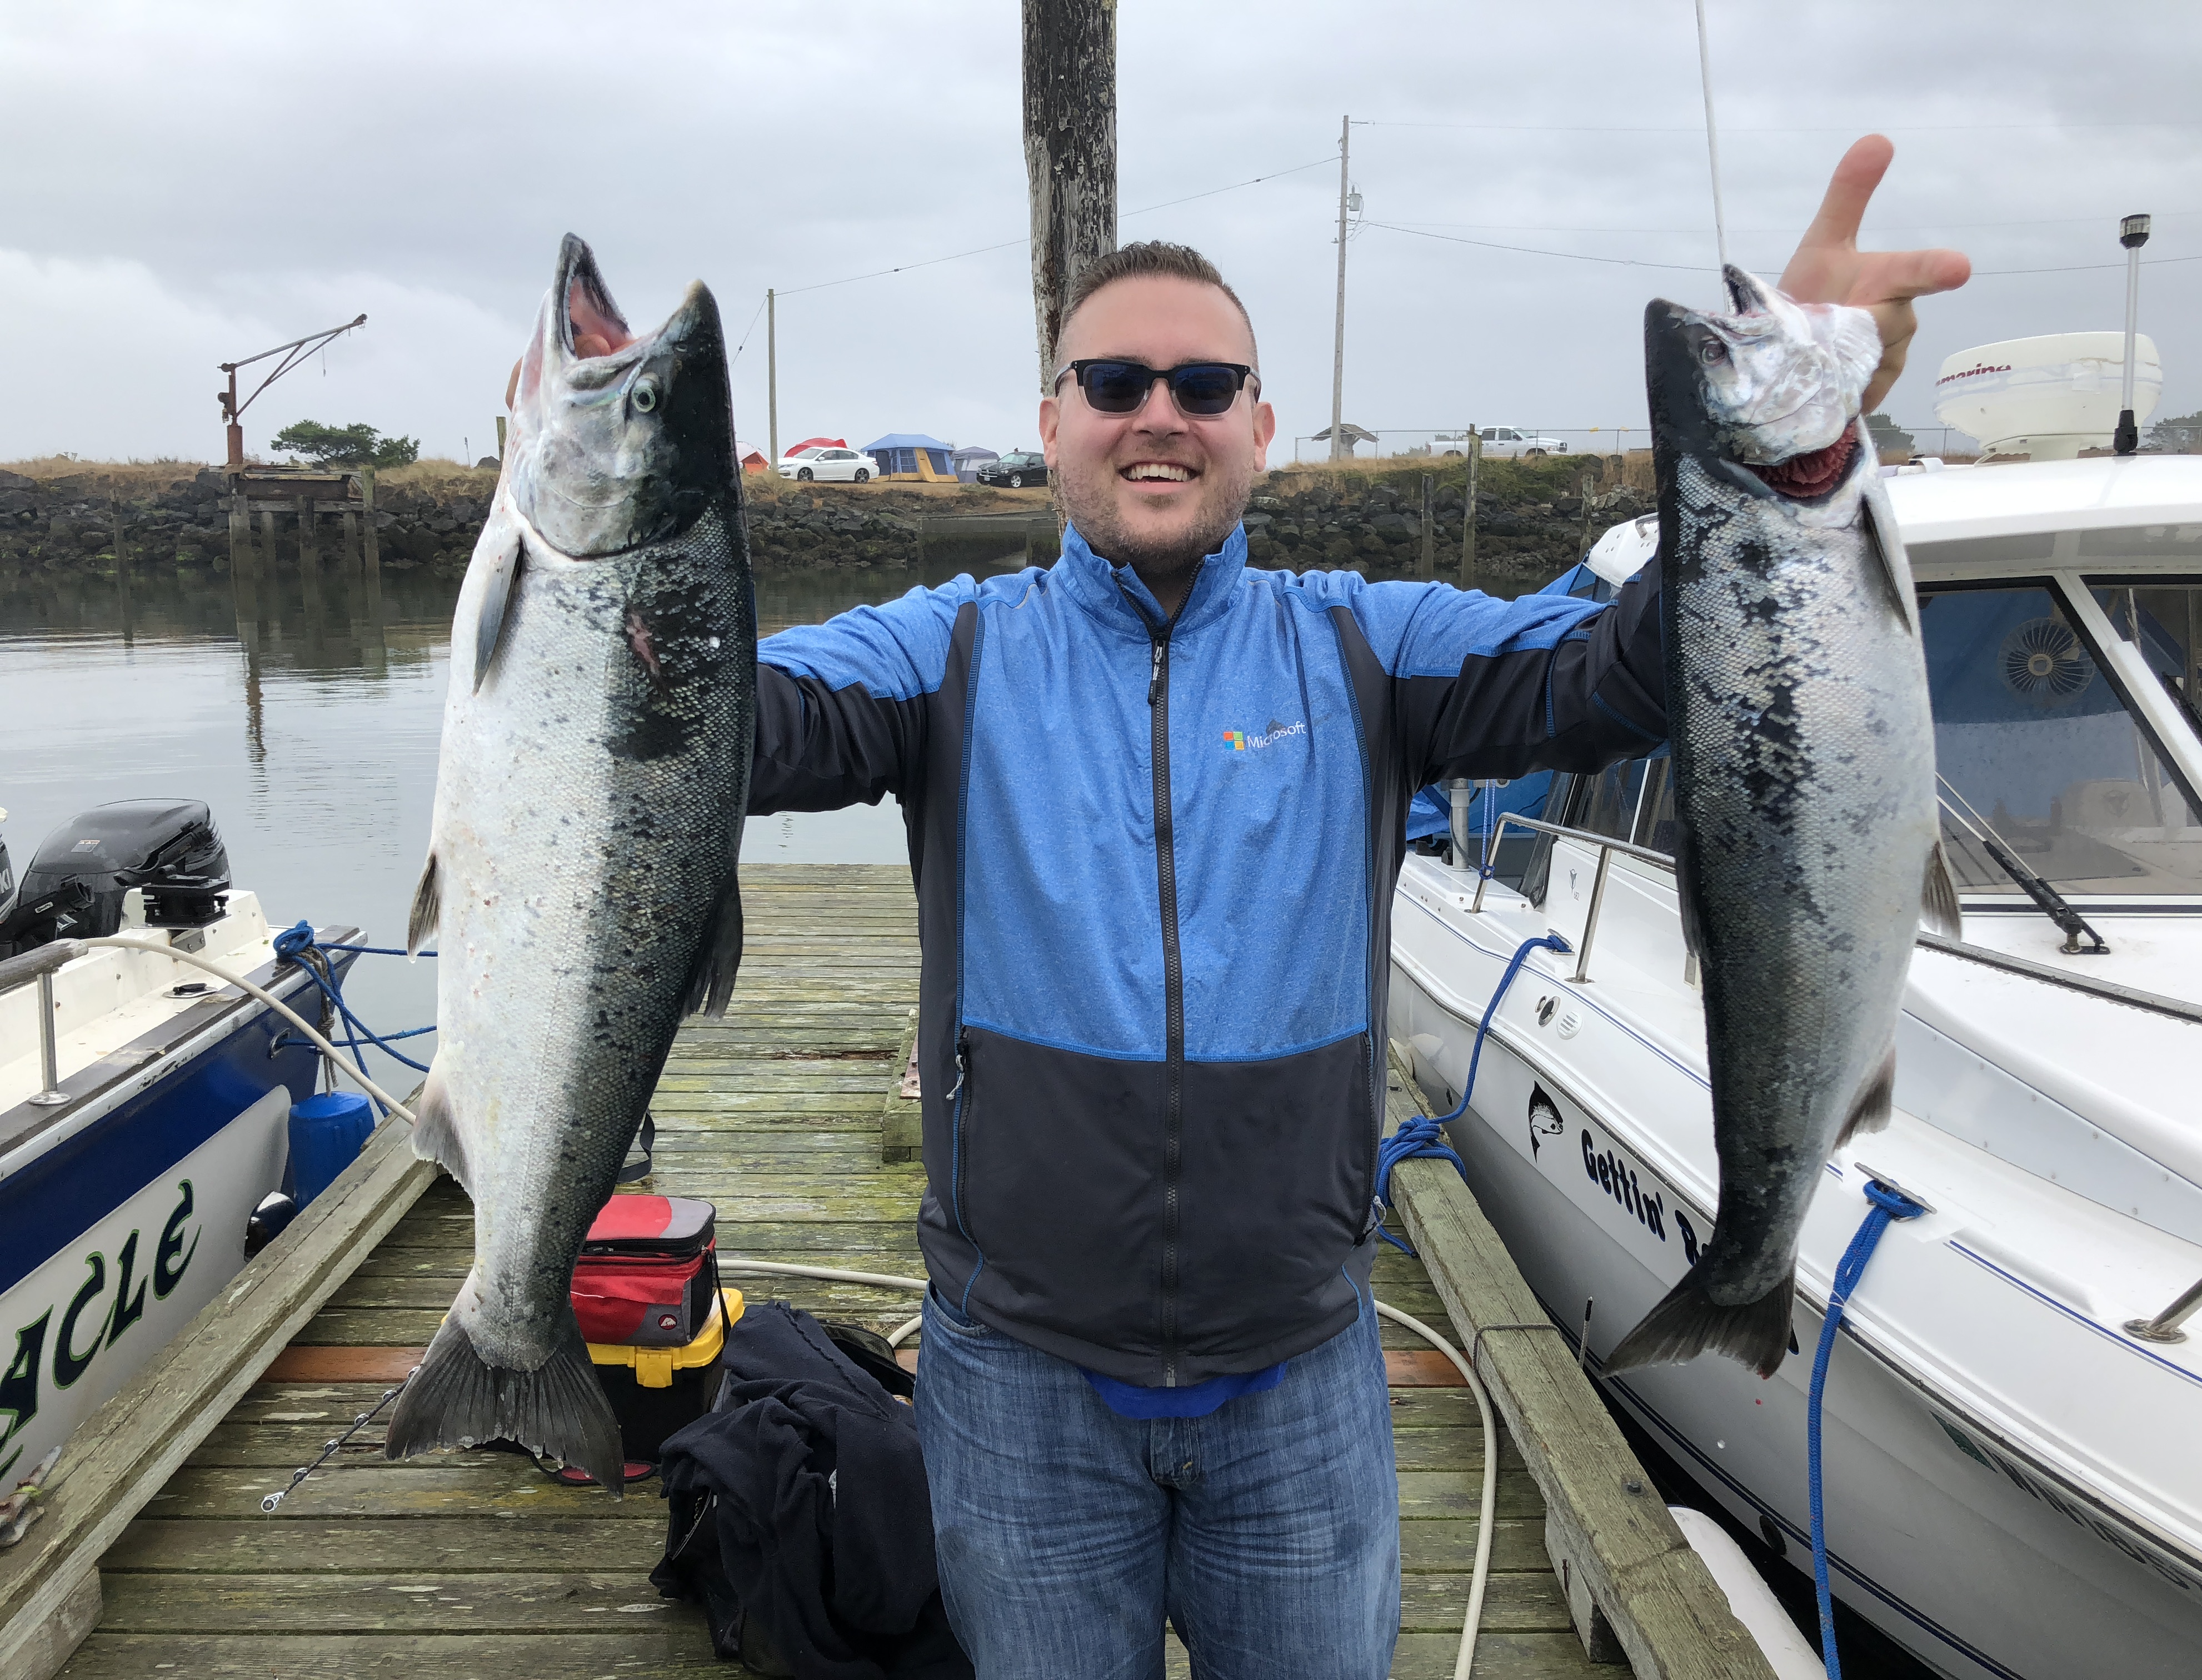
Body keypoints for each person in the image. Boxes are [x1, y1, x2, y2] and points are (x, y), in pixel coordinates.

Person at [747, 135, 1966, 1679]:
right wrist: (615, 590)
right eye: (1113, 383)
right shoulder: (951, 650)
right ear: (1051, 421)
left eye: (1202, 388)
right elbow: (739, 723)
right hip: (1017, 1374)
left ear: (1261, 424)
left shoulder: (1369, 641)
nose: (1158, 418)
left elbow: (1632, 669)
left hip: (1300, 1372)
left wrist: (1781, 457)